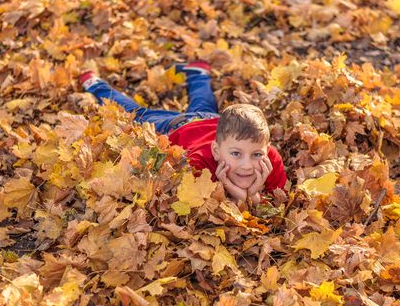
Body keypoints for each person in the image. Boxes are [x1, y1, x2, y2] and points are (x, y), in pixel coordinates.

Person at [79, 61, 286, 204]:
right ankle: (97, 86)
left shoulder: (271, 160)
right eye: (236, 154)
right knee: (138, 114)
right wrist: (239, 193)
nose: (247, 165)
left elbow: (278, 202)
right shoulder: (198, 165)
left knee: (204, 103)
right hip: (180, 126)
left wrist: (251, 195)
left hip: (212, 120)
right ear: (216, 151)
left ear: (266, 149)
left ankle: (197, 73)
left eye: (257, 154)